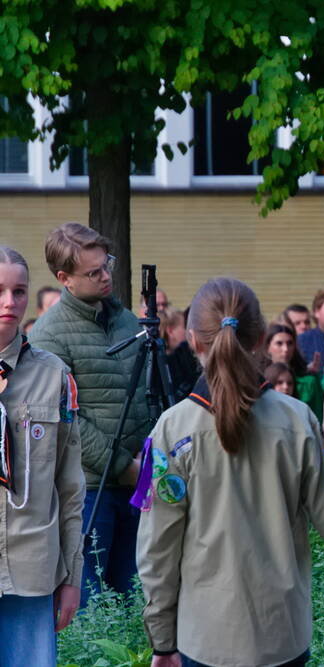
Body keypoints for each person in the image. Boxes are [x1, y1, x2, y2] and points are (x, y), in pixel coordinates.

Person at [136, 277, 324, 667]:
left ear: (192, 339)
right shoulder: (297, 420)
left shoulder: (171, 430)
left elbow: (157, 550)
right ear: (260, 339)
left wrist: (162, 641)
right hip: (282, 637)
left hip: (205, 638)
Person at [29, 223, 152, 606]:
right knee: (94, 607)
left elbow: (146, 396)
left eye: (107, 265)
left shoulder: (128, 322)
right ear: (64, 278)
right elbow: (65, 418)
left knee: (137, 599)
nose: (105, 277)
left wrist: (148, 463)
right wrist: (121, 465)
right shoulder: (49, 336)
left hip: (139, 482)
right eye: (93, 272)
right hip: (89, 491)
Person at [0, 246, 86, 667]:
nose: (9, 302)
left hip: (31, 572)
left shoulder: (54, 376)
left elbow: (70, 488)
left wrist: (72, 577)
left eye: (19, 291)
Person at [264, 323, 323, 420]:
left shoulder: (309, 382)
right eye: (279, 343)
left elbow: (318, 419)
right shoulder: (258, 379)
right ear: (267, 347)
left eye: (290, 343)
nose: (285, 349)